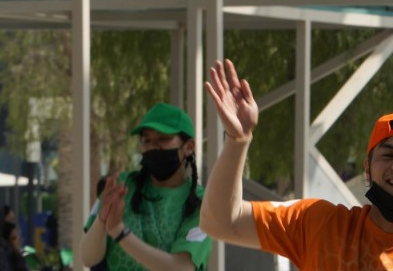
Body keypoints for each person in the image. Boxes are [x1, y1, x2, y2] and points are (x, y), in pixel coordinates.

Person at [202, 58, 393, 271]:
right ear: (367, 168)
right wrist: (237, 141)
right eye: (388, 156)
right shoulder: (321, 225)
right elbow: (221, 222)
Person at [79, 104, 209, 271]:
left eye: (163, 139)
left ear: (189, 147)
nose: (154, 147)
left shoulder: (202, 203)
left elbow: (182, 268)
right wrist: (102, 219)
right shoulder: (120, 186)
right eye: (146, 140)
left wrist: (119, 232)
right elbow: (88, 257)